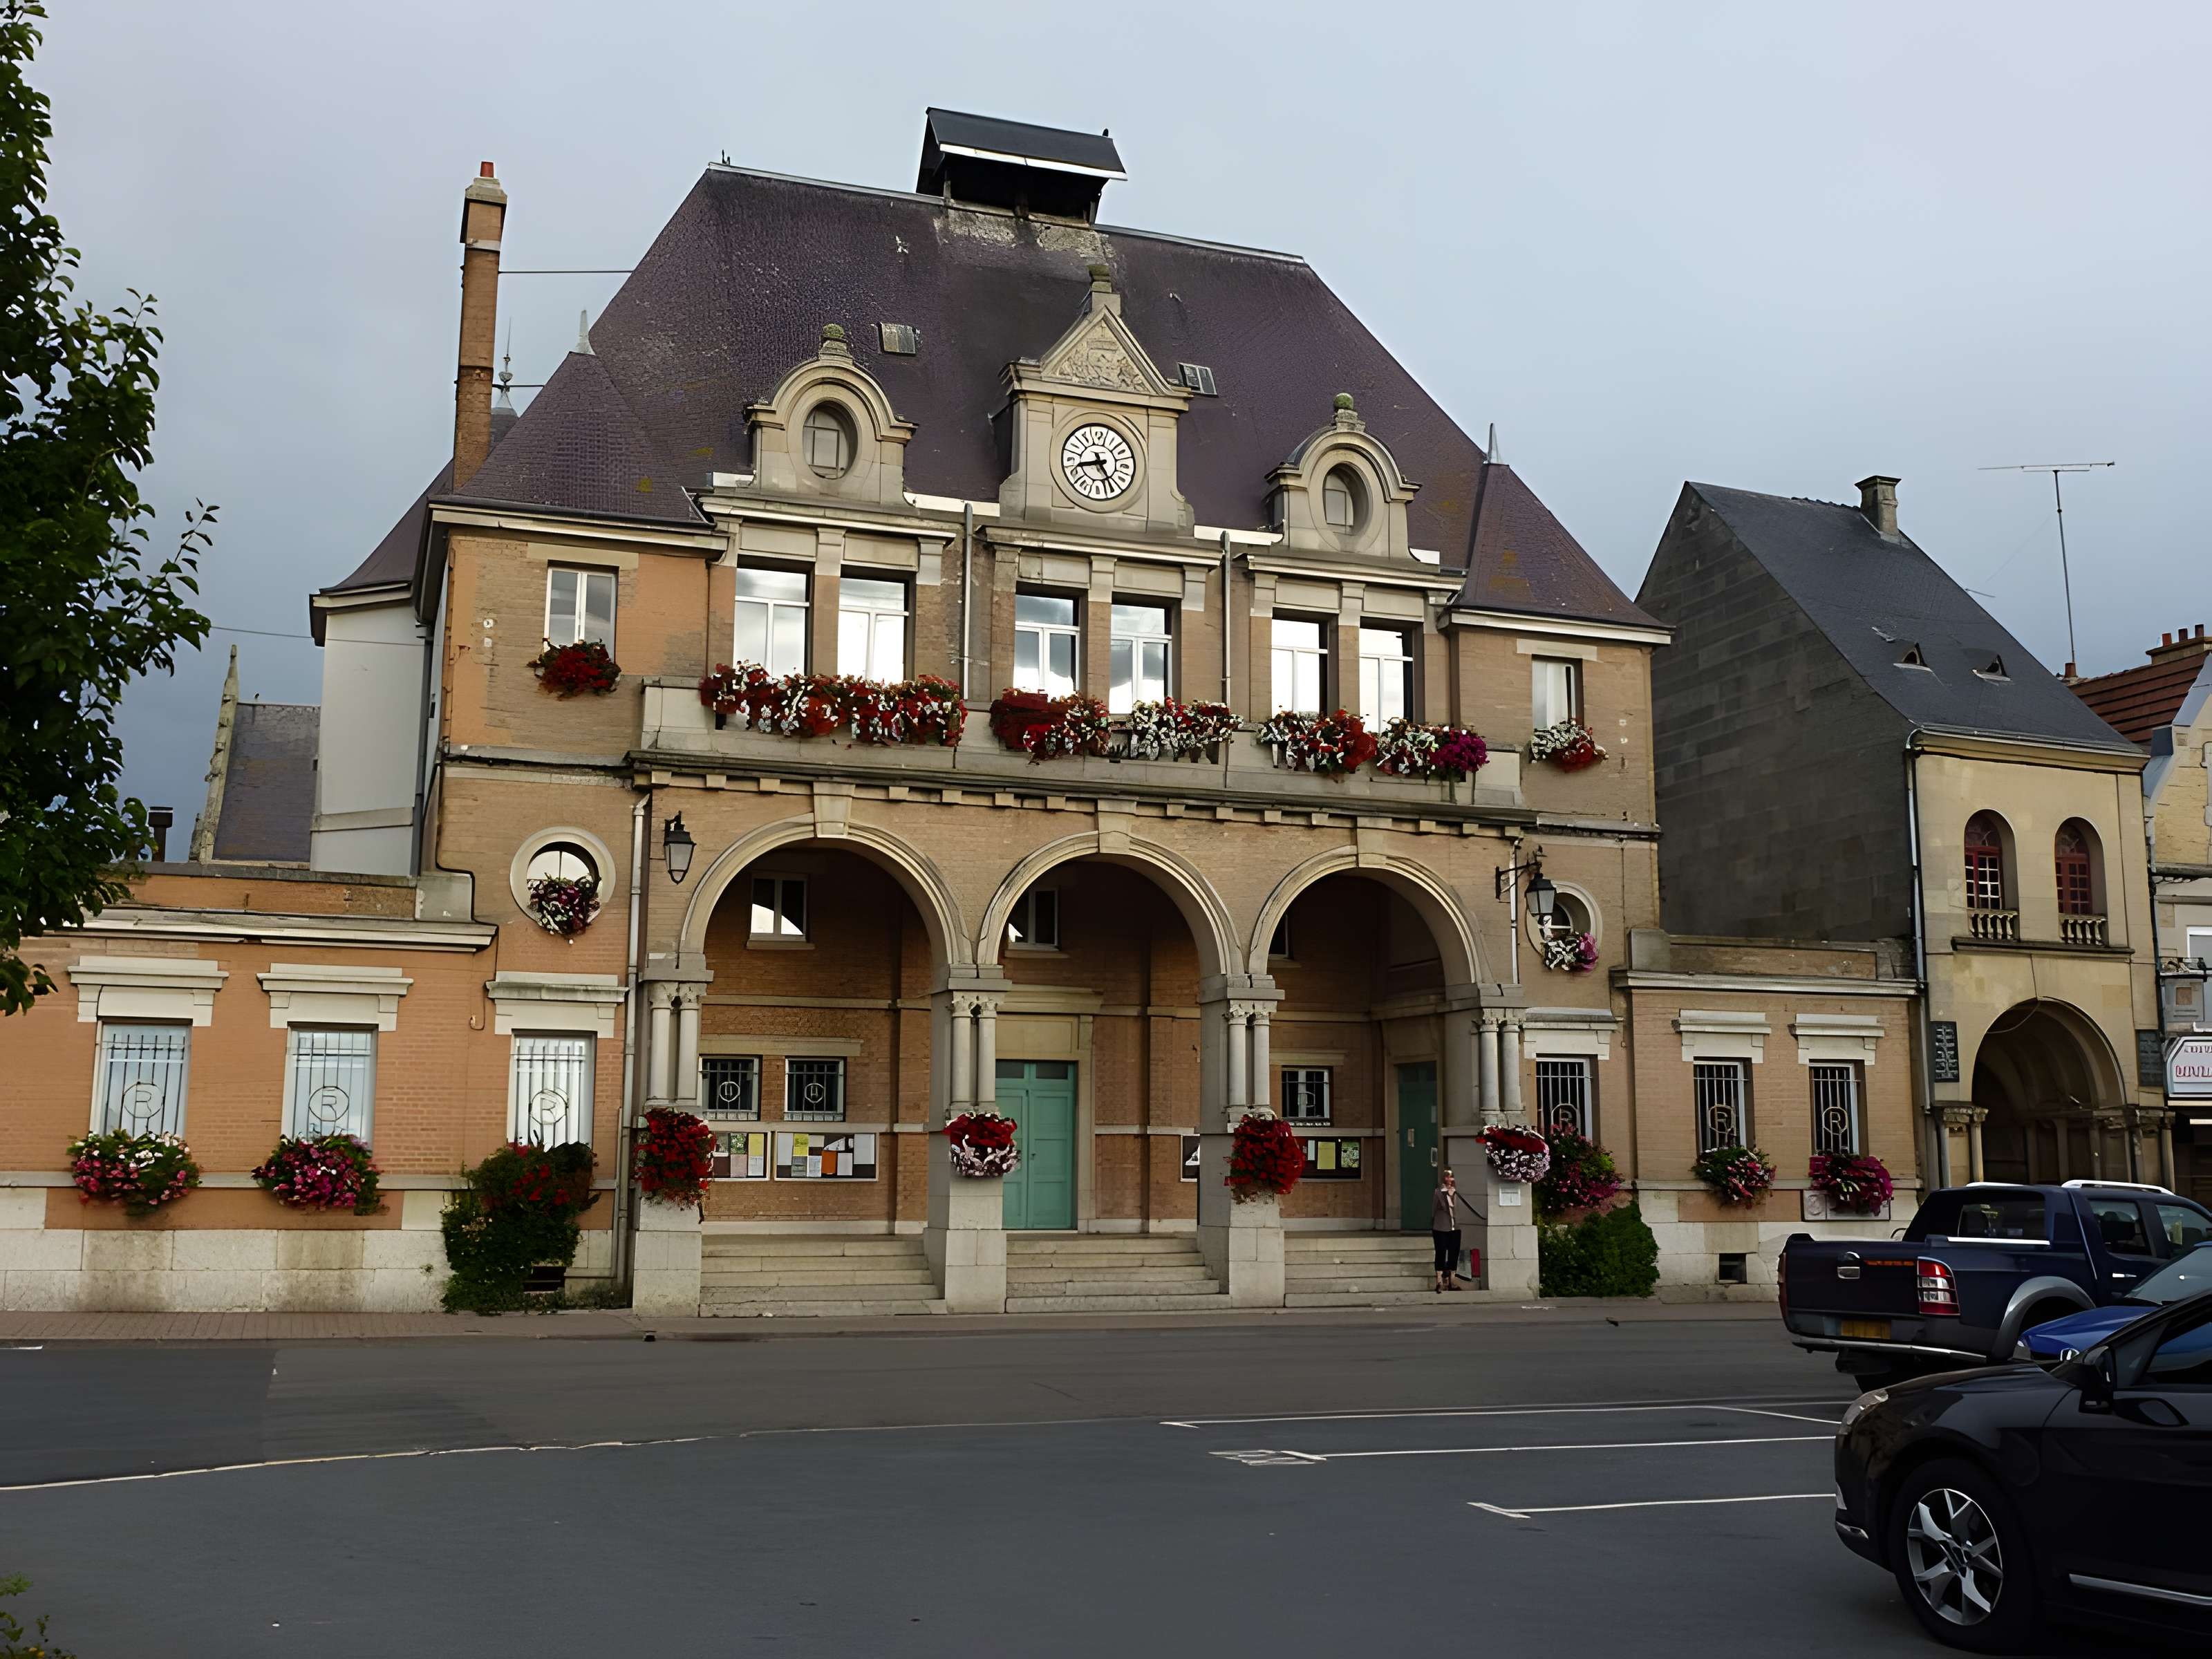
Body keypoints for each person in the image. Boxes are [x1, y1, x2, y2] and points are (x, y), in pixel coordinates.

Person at [1432, 1168, 1477, 1292]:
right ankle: (1439, 1281)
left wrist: (1453, 1195)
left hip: (1455, 1227)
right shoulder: (1438, 1192)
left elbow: (1457, 1210)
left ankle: (1452, 1280)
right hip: (1441, 1228)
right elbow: (1434, 1210)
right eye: (1446, 1176)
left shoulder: (1457, 1193)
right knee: (1440, 1252)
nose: (1449, 1179)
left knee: (1454, 1253)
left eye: (1451, 1177)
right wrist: (1447, 1196)